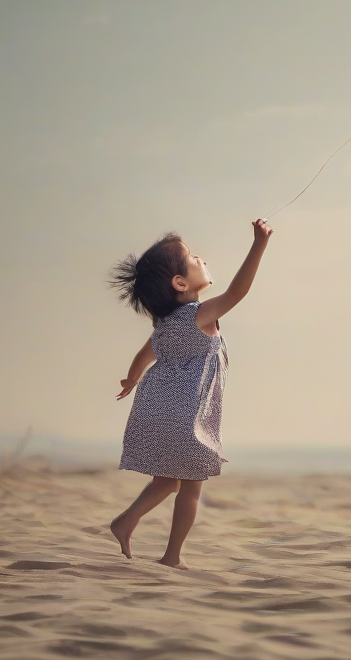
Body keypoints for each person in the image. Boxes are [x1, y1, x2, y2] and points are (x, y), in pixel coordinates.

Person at [108, 219, 273, 568]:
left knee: (168, 481)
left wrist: (131, 378)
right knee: (191, 485)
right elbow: (237, 292)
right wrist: (259, 245)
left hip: (156, 407)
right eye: (192, 258)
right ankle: (171, 556)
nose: (201, 258)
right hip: (185, 416)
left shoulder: (166, 324)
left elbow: (145, 353)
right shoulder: (199, 315)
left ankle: (127, 521)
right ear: (180, 283)